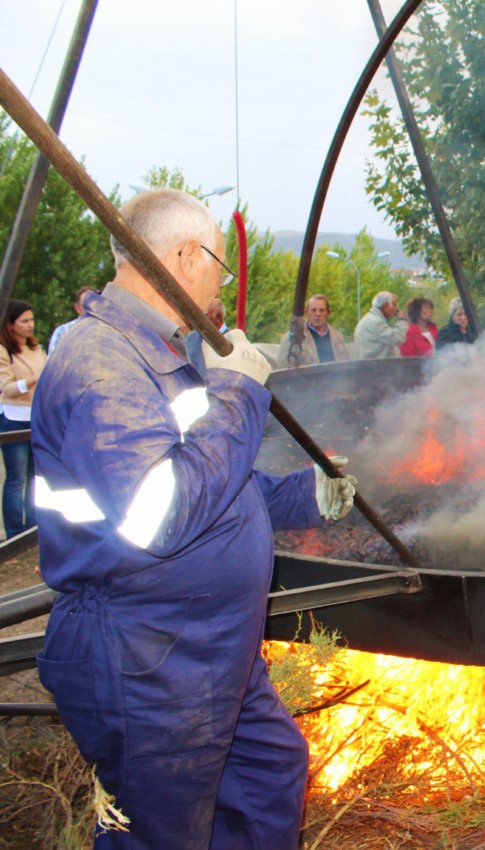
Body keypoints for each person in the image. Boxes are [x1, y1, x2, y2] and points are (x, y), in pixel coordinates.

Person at [30, 188, 357, 849]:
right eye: (219, 264)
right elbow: (160, 516)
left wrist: (307, 494)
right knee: (161, 834)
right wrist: (238, 392)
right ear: (185, 254)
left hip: (209, 645)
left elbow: (217, 487)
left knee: (268, 772)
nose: (219, 284)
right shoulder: (103, 361)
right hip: (148, 655)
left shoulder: (162, 355)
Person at [0, 299, 47, 538]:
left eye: (32, 320)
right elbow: (5, 388)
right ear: (10, 324)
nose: (31, 325)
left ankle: (33, 527)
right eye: (25, 321)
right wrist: (31, 380)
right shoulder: (3, 350)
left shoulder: (36, 347)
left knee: (35, 477)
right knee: (16, 479)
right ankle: (14, 532)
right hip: (13, 418)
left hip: (36, 417)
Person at [279, 293, 351, 366]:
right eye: (313, 310)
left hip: (336, 377)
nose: (317, 314)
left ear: (328, 313)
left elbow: (347, 366)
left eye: (322, 310)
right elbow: (282, 369)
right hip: (306, 377)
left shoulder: (337, 337)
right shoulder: (293, 338)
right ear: (307, 312)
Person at [354, 290, 407, 359]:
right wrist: (402, 320)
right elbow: (399, 339)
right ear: (385, 306)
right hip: (376, 368)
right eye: (394, 305)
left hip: (369, 366)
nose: (397, 309)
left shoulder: (369, 319)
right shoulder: (375, 322)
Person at [46, 286, 97, 355]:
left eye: (94, 305)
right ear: (77, 308)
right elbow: (52, 363)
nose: (90, 310)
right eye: (86, 306)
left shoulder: (108, 332)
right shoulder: (62, 332)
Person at [184, 297, 228, 378]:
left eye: (204, 315)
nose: (197, 320)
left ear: (218, 317)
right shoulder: (192, 338)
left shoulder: (232, 342)